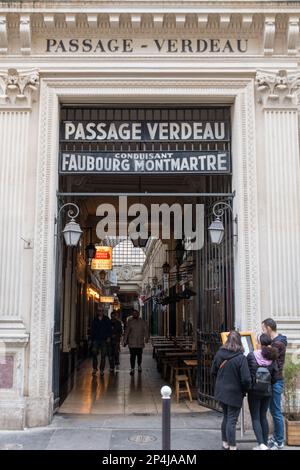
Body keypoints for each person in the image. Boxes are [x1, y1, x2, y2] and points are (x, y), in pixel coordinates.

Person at [211, 331, 251, 450]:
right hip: (235, 393)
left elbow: (213, 371)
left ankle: (225, 443)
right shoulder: (241, 358)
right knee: (232, 420)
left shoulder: (219, 354)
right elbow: (246, 379)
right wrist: (245, 390)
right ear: (239, 341)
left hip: (221, 391)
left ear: (227, 340)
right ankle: (232, 446)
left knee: (226, 417)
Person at [247, 334, 278, 450]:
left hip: (254, 391)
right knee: (263, 417)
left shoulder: (251, 356)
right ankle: (264, 444)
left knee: (255, 417)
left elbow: (247, 374)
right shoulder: (272, 357)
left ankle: (261, 444)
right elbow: (275, 378)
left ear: (259, 343)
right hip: (267, 391)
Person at [262, 318, 288, 450]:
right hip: (273, 380)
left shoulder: (278, 344)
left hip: (276, 381)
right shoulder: (275, 342)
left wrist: (259, 346)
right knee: (273, 411)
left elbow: (267, 357)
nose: (263, 331)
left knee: (276, 411)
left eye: (263, 328)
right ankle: (277, 437)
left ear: (268, 328)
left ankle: (280, 441)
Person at [123, 309, 148, 375]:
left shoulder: (142, 322)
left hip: (140, 342)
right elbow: (127, 332)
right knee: (132, 356)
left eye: (136, 313)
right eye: (133, 313)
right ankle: (132, 368)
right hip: (132, 342)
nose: (135, 314)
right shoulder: (130, 322)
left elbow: (146, 330)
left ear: (138, 314)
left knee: (139, 356)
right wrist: (125, 340)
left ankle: (139, 366)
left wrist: (146, 337)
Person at [90, 306, 113, 376]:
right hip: (96, 339)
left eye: (101, 311)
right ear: (97, 312)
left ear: (103, 311)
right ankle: (94, 368)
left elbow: (110, 329)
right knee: (94, 353)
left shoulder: (107, 319)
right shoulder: (95, 320)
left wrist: (109, 337)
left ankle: (102, 369)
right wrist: (92, 339)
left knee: (103, 355)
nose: (100, 312)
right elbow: (92, 330)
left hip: (104, 339)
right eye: (99, 311)